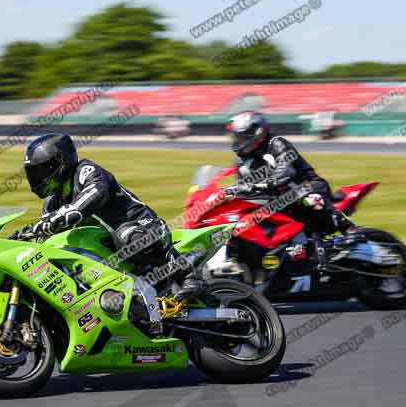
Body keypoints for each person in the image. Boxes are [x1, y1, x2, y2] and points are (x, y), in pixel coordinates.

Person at [23, 133, 203, 300]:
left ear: (60, 163)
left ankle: (188, 274)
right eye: (33, 173)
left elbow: (94, 195)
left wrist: (60, 217)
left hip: (144, 226)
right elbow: (45, 235)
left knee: (127, 235)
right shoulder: (52, 202)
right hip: (108, 249)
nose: (37, 178)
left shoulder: (86, 171)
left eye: (42, 171)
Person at [225, 111, 356, 237]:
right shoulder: (243, 160)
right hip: (275, 197)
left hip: (308, 185)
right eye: (236, 137)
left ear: (258, 133)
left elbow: (286, 171)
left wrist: (260, 185)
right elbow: (243, 186)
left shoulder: (277, 144)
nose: (238, 141)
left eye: (242, 137)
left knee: (307, 199)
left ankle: (348, 228)